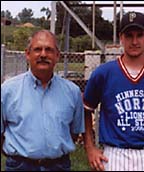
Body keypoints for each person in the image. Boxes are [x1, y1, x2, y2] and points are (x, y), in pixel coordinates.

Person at [83, 11, 144, 171]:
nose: (134, 41)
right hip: (115, 153)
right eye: (129, 35)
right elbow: (86, 110)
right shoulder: (103, 73)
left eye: (139, 35)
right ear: (121, 37)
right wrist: (90, 147)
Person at [1, 30, 85, 171]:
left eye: (49, 50)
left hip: (58, 166)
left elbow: (73, 133)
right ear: (27, 54)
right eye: (38, 49)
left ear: (57, 55)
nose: (43, 54)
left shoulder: (72, 92)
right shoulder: (7, 90)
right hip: (20, 166)